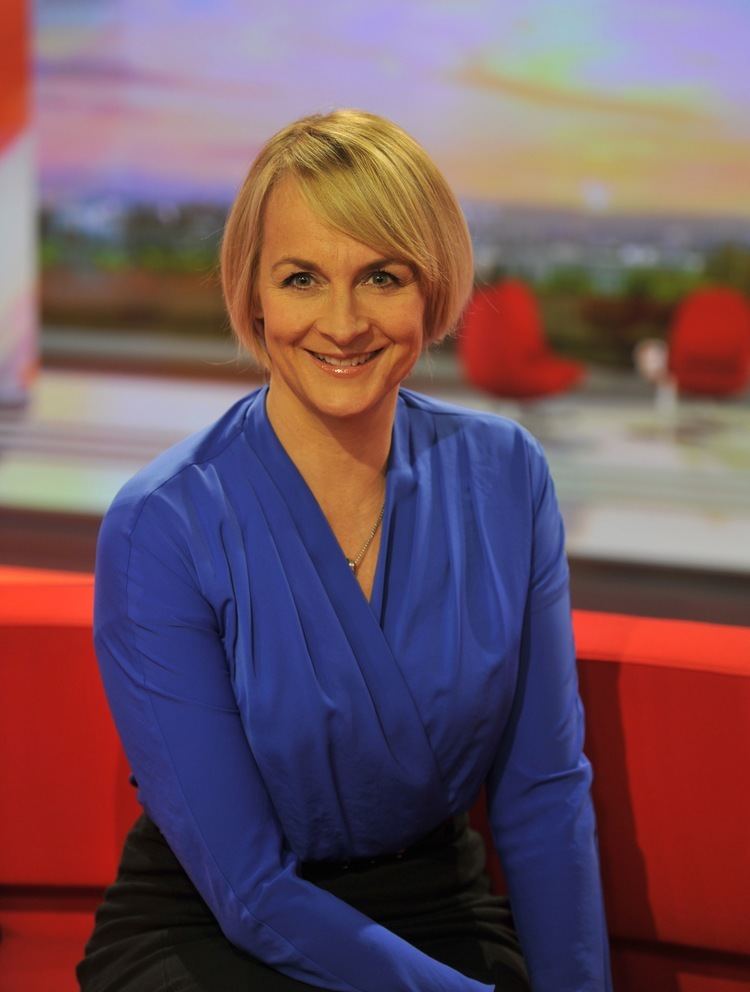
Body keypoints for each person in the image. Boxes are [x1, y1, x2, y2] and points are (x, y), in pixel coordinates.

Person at [77, 109, 612, 992]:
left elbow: (543, 795)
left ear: (431, 288)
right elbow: (248, 889)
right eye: (300, 279)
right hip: (214, 926)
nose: (343, 321)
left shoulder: (509, 476)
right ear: (251, 293)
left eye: (381, 276)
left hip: (440, 902)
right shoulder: (160, 524)